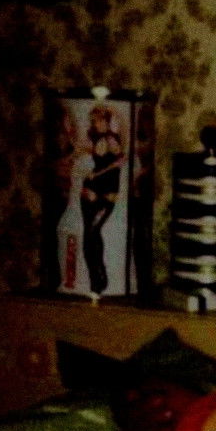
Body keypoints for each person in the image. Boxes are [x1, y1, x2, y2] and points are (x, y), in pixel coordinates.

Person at [80, 103, 124, 294]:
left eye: (99, 120)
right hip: (90, 190)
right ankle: (94, 278)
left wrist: (97, 174)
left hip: (107, 193)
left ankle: (100, 273)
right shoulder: (92, 139)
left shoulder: (113, 139)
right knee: (88, 233)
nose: (96, 124)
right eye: (94, 121)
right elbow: (79, 152)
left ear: (107, 121)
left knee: (93, 230)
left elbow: (119, 163)